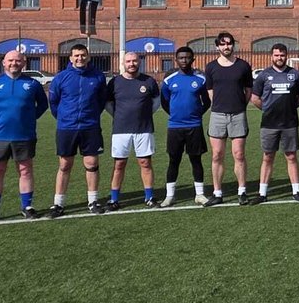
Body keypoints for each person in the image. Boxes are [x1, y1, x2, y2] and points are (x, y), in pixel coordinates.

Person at [0, 49, 48, 222]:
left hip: (24, 136)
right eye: (10, 60)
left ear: (24, 63)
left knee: (25, 170)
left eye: (17, 60)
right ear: (3, 62)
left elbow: (43, 105)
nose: (13, 63)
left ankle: (27, 206)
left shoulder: (32, 84)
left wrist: (29, 118)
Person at [47, 43, 109, 217]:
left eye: (83, 55)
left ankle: (93, 201)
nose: (80, 58)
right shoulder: (61, 78)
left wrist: (92, 116)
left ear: (88, 57)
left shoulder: (97, 77)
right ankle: (58, 204)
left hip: (90, 126)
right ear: (70, 58)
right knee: (65, 164)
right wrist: (64, 117)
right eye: (76, 55)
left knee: (91, 164)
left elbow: (101, 100)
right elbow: (54, 103)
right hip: (67, 127)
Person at [202, 31, 254, 206]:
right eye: (223, 44)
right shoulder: (210, 68)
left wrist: (238, 106)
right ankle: (217, 192)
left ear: (233, 45)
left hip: (238, 115)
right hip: (217, 115)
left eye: (229, 43)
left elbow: (248, 91)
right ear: (217, 46)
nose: (226, 47)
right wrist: (221, 106)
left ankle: (242, 191)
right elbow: (211, 93)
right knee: (217, 155)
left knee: (239, 154)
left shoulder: (243, 66)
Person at [251, 42, 299, 203]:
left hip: (289, 123)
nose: (279, 58)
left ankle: (296, 191)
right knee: (268, 157)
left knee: (291, 156)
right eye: (276, 55)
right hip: (269, 124)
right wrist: (268, 109)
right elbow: (255, 98)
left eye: (282, 55)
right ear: (271, 56)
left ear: (286, 56)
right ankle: (262, 193)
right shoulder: (263, 75)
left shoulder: (295, 74)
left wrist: (290, 107)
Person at [105, 52, 159, 211]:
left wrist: (145, 115)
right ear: (123, 63)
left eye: (134, 61)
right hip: (121, 130)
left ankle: (149, 197)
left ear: (139, 62)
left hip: (144, 129)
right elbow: (108, 103)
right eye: (128, 61)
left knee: (145, 162)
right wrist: (118, 116)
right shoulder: (115, 82)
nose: (132, 64)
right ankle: (114, 199)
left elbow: (156, 101)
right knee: (119, 164)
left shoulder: (148, 81)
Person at [159, 46, 210, 207]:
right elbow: (164, 102)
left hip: (194, 126)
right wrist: (175, 115)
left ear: (193, 59)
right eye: (181, 58)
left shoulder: (200, 79)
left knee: (196, 160)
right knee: (174, 160)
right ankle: (170, 196)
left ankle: (200, 194)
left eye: (187, 58)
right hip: (175, 127)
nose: (184, 60)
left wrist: (196, 114)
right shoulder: (169, 80)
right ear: (176, 60)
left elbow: (206, 102)